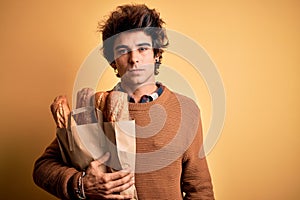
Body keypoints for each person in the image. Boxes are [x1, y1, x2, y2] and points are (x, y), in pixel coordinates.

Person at [33, 4, 215, 200]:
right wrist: (82, 184)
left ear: (157, 54)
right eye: (123, 50)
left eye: (143, 48)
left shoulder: (186, 110)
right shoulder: (93, 108)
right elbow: (43, 168)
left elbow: (200, 189)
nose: (134, 59)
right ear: (113, 61)